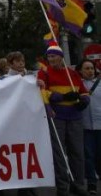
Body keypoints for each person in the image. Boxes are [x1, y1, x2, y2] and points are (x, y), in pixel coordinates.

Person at [37, 43, 90, 196]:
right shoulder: (44, 73)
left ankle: (79, 184)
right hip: (57, 116)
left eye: (53, 56)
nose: (50, 59)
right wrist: (62, 97)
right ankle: (63, 187)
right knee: (59, 154)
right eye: (49, 56)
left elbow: (85, 93)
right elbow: (42, 92)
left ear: (61, 57)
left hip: (75, 117)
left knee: (77, 152)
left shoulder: (72, 74)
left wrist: (82, 103)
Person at [77, 59, 101, 195]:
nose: (90, 71)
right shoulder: (77, 85)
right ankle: (92, 183)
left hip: (100, 125)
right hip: (85, 126)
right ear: (80, 70)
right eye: (86, 68)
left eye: (91, 68)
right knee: (89, 156)